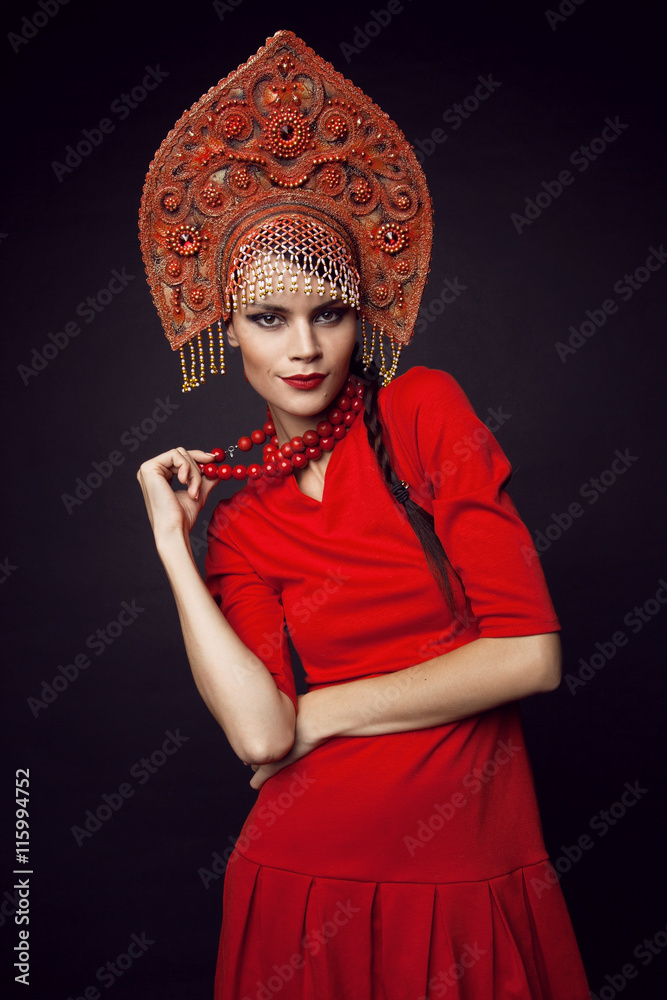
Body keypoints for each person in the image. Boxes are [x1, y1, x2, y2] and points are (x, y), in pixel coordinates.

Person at [137, 30, 590, 999]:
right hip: (299, 879)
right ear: (230, 333)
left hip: (463, 870)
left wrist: (328, 710)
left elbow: (531, 654)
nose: (304, 348)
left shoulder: (421, 412)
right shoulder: (242, 512)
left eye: (329, 313)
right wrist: (175, 547)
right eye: (269, 319)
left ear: (362, 314)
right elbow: (262, 736)